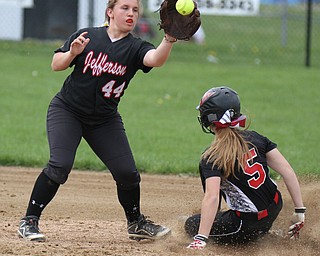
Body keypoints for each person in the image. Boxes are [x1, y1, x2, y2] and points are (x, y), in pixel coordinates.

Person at [18, 0, 178, 242]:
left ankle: (135, 223)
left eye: (135, 10)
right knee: (60, 165)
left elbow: (155, 59)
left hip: (104, 119)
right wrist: (72, 52)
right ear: (110, 11)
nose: (131, 14)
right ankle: (29, 221)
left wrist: (169, 39)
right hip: (67, 110)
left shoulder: (135, 47)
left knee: (127, 173)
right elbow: (56, 65)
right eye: (125, 8)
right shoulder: (87, 36)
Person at [185, 86, 306, 249]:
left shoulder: (211, 157)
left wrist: (201, 238)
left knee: (191, 223)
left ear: (210, 118)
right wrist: (299, 211)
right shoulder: (256, 137)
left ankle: (255, 234)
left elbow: (212, 198)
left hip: (245, 226)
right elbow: (288, 172)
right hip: (275, 207)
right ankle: (263, 230)